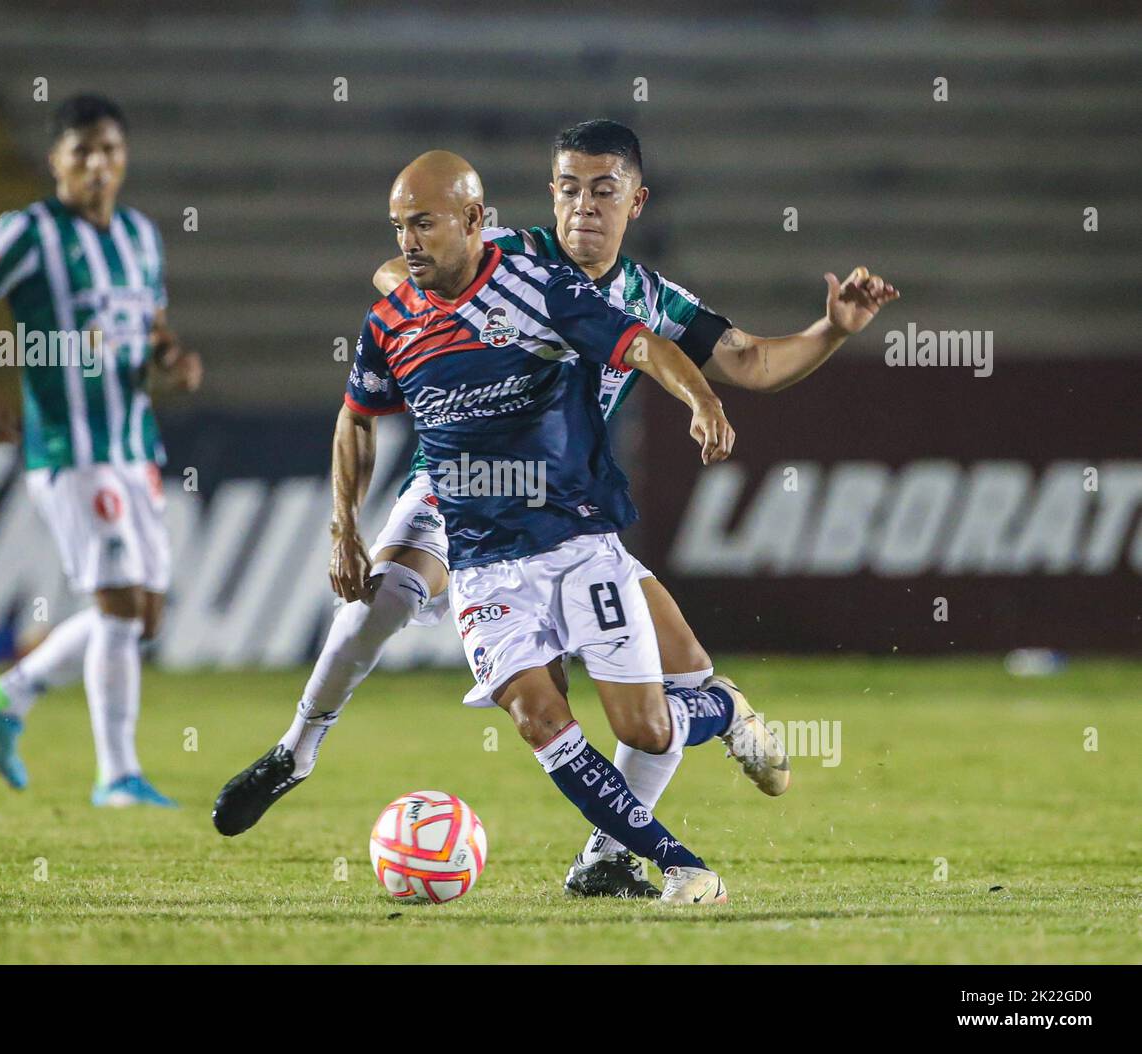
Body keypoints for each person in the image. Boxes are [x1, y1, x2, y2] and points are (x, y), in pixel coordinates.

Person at [227, 121, 901, 896]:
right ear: (549, 194)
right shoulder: (508, 252)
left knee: (663, 705)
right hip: (456, 488)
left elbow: (750, 359)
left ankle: (613, 850)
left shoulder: (649, 299)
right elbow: (403, 268)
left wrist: (830, 330)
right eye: (569, 188)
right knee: (385, 593)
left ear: (635, 203)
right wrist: (439, 307)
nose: (584, 207)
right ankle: (298, 748)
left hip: (565, 510)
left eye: (603, 191)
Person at [0, 94, 202, 806]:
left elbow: (151, 324)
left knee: (145, 615)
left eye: (109, 149)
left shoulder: (141, 235)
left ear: (124, 157)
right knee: (116, 606)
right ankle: (116, 776)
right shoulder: (26, 232)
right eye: (81, 150)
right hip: (67, 448)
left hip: (132, 443)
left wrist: (172, 355)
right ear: (56, 159)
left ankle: (7, 696)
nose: (97, 164)